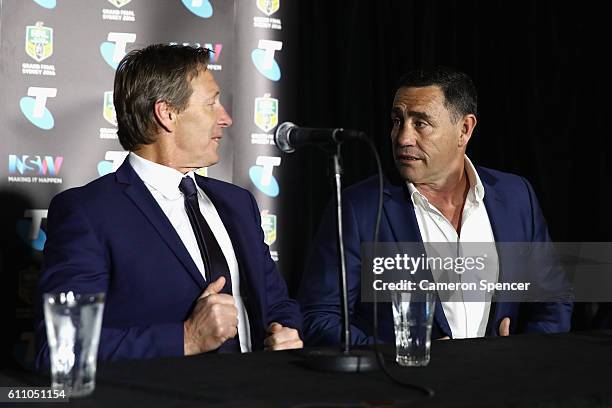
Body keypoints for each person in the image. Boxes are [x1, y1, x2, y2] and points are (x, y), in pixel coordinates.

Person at [35, 44, 302, 368]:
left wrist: (285, 331)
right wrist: (185, 339)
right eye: (211, 103)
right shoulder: (88, 213)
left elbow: (277, 304)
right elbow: (59, 351)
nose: (226, 118)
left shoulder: (237, 203)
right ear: (167, 113)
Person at [297, 66, 573, 345]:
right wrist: (406, 354)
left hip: (503, 384)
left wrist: (526, 352)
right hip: (404, 386)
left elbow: (553, 299)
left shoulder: (516, 196)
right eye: (397, 121)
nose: (403, 137)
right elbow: (319, 318)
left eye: (420, 123)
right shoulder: (358, 208)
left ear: (464, 129)